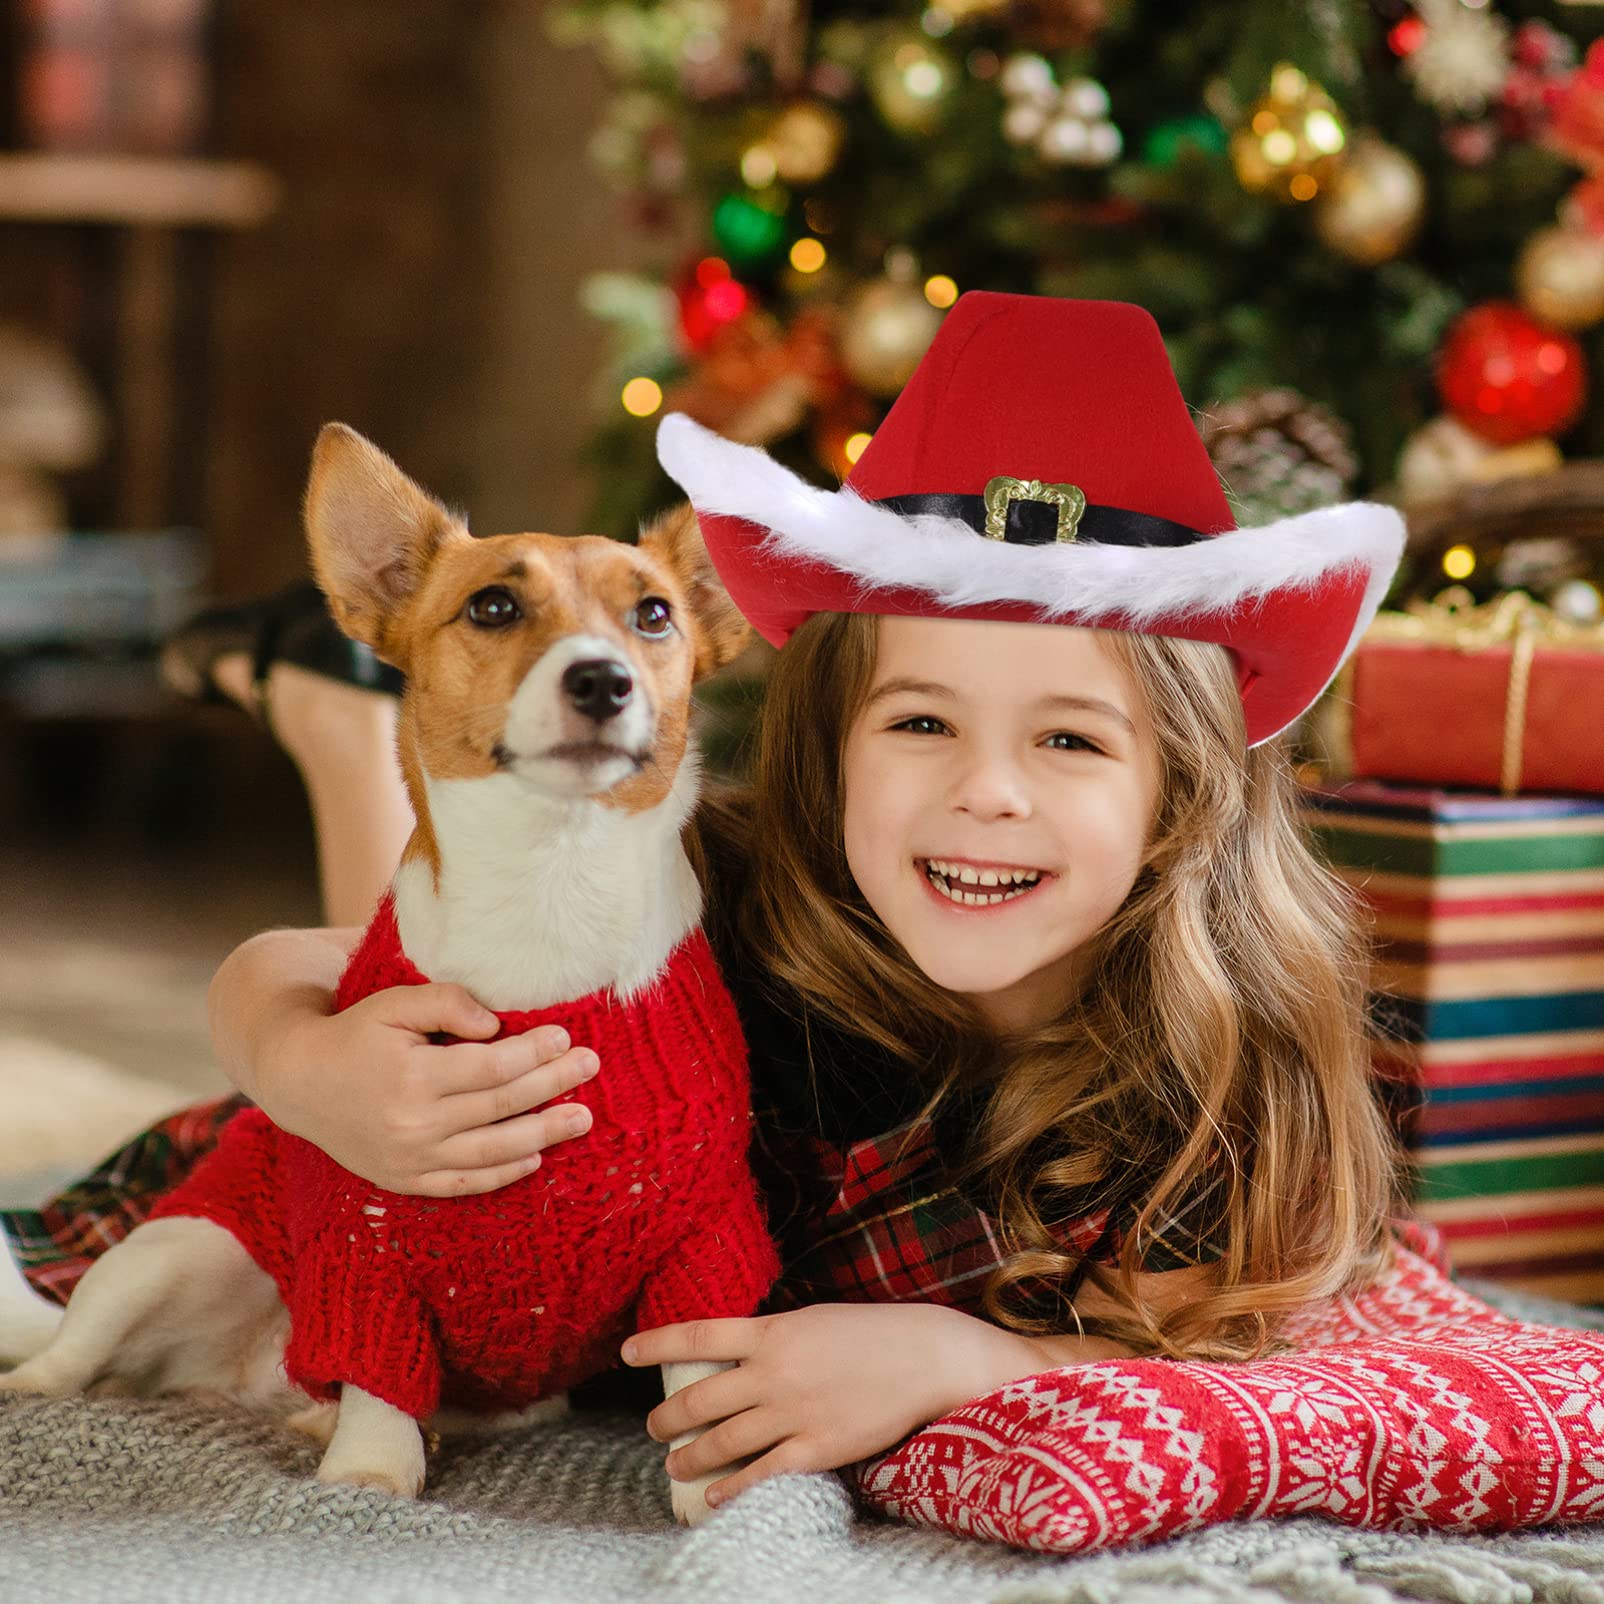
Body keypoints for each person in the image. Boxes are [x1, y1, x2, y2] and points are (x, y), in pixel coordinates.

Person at [1, 293, 1410, 1512]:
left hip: (593, 1307)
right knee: (432, 971)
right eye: (920, 724)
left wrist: (980, 1359)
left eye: (1071, 739)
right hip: (389, 1189)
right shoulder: (748, 883)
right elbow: (297, 968)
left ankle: (330, 699)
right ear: (827, 742)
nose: (989, 793)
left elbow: (1295, 1367)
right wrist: (297, 1061)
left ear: (1185, 788)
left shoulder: (1233, 1069)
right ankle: (343, 716)